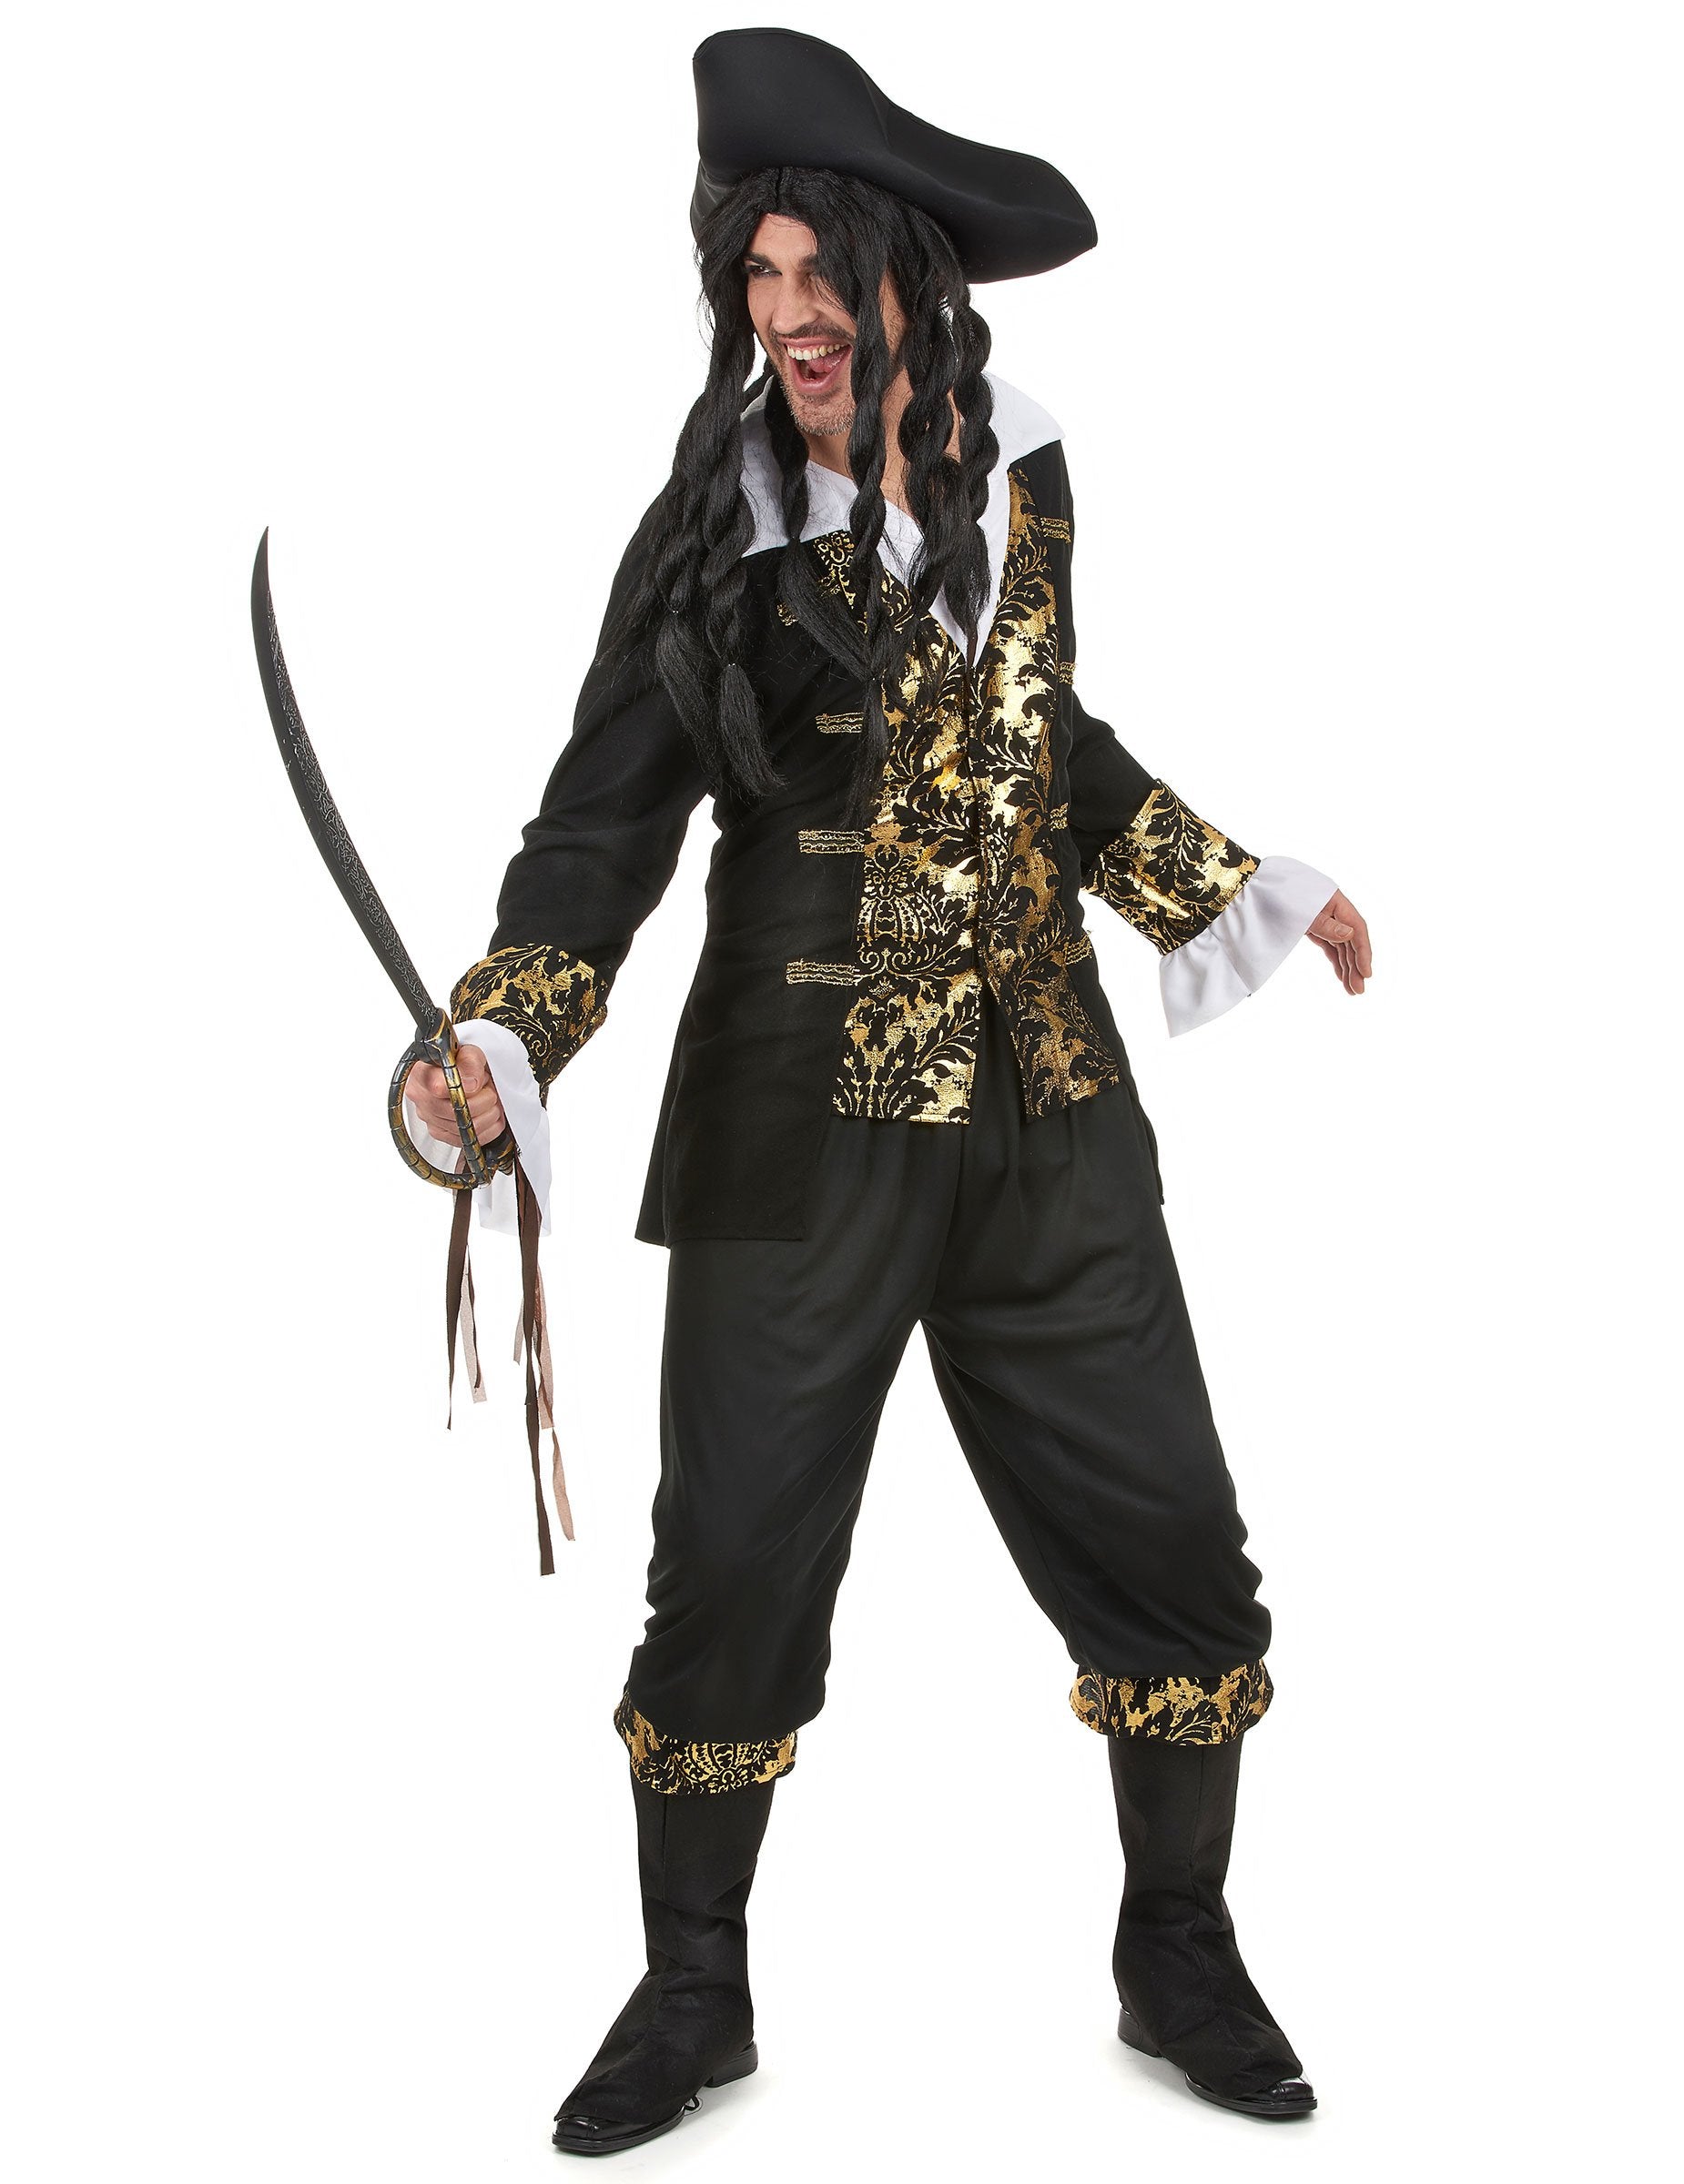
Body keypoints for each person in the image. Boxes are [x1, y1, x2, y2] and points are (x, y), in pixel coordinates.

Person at [403, 26, 1372, 2153]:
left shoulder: (1024, 479)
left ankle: (1178, 1947)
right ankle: (691, 1990)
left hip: (1048, 1113)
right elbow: (598, 830)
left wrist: (1233, 888)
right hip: (795, 1126)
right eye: (755, 278)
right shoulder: (716, 537)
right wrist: (504, 1034)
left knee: (1172, 1538)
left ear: (912, 280)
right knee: (735, 1564)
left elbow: (1045, 746)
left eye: (818, 271)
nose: (788, 316)